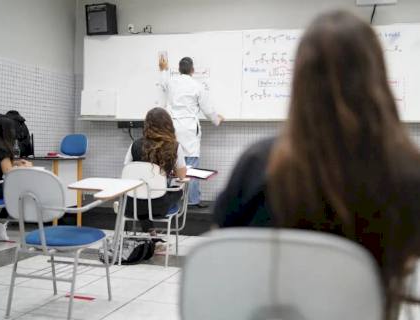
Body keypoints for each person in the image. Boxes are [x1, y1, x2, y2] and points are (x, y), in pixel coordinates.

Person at [214, 10, 420, 319]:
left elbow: (223, 251)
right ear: (376, 78)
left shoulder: (258, 164)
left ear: (301, 79)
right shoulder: (406, 170)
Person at [159, 56, 224, 208]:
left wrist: (163, 69)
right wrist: (217, 120)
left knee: (171, 163)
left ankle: (169, 198)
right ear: (192, 70)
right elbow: (207, 109)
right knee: (191, 167)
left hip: (173, 127)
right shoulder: (197, 86)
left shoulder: (171, 82)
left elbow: (163, 83)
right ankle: (193, 200)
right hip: (189, 129)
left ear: (179, 69)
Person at [124, 107, 187, 233]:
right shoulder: (174, 146)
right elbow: (182, 175)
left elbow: (127, 170)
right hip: (159, 207)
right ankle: (153, 238)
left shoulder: (135, 145)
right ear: (168, 125)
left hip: (132, 205)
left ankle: (151, 236)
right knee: (180, 190)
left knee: (143, 192)